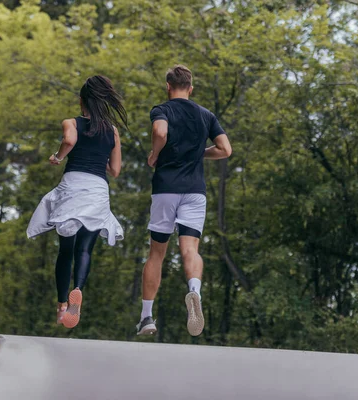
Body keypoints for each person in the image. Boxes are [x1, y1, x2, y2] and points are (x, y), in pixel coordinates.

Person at [136, 65, 232, 337]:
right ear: (191, 88)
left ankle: (146, 318)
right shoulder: (206, 115)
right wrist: (197, 153)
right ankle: (194, 290)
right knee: (190, 249)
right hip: (194, 191)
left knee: (157, 253)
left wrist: (155, 154)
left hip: (166, 187)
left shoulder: (162, 109)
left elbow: (160, 132)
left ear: (168, 86)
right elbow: (225, 149)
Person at [27, 75, 127, 329]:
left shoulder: (71, 122)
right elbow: (115, 170)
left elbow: (70, 141)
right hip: (97, 189)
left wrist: (58, 157)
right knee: (85, 249)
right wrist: (98, 156)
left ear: (81, 101)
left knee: (65, 250)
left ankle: (62, 304)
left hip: (73, 186)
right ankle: (78, 290)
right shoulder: (112, 131)